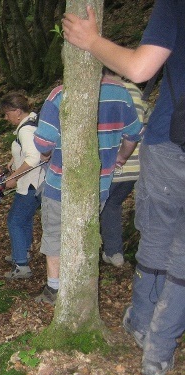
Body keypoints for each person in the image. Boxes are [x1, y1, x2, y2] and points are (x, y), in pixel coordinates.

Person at [63, 1, 185, 375]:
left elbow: (140, 67)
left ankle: (146, 329)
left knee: (158, 235)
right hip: (163, 145)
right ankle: (157, 350)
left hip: (169, 143)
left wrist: (92, 40)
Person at [33, 74, 142, 305]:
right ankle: (80, 287)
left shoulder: (60, 94)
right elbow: (133, 134)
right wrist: (121, 157)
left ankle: (54, 289)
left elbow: (44, 143)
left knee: (55, 233)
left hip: (60, 184)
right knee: (86, 233)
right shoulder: (121, 93)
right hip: (100, 184)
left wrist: (46, 155)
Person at [100, 71, 147, 268]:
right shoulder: (136, 92)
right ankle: (115, 251)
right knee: (113, 204)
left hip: (115, 162)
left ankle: (112, 251)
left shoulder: (106, 93)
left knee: (106, 205)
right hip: (137, 165)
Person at [0, 93, 46, 280]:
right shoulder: (32, 122)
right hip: (37, 182)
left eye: (7, 113)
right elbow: (31, 148)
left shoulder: (25, 130)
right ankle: (22, 252)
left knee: (15, 221)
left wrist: (13, 177)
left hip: (30, 184)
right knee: (23, 219)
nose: (5, 118)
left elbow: (33, 158)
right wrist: (14, 157)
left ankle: (21, 265)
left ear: (18, 112)